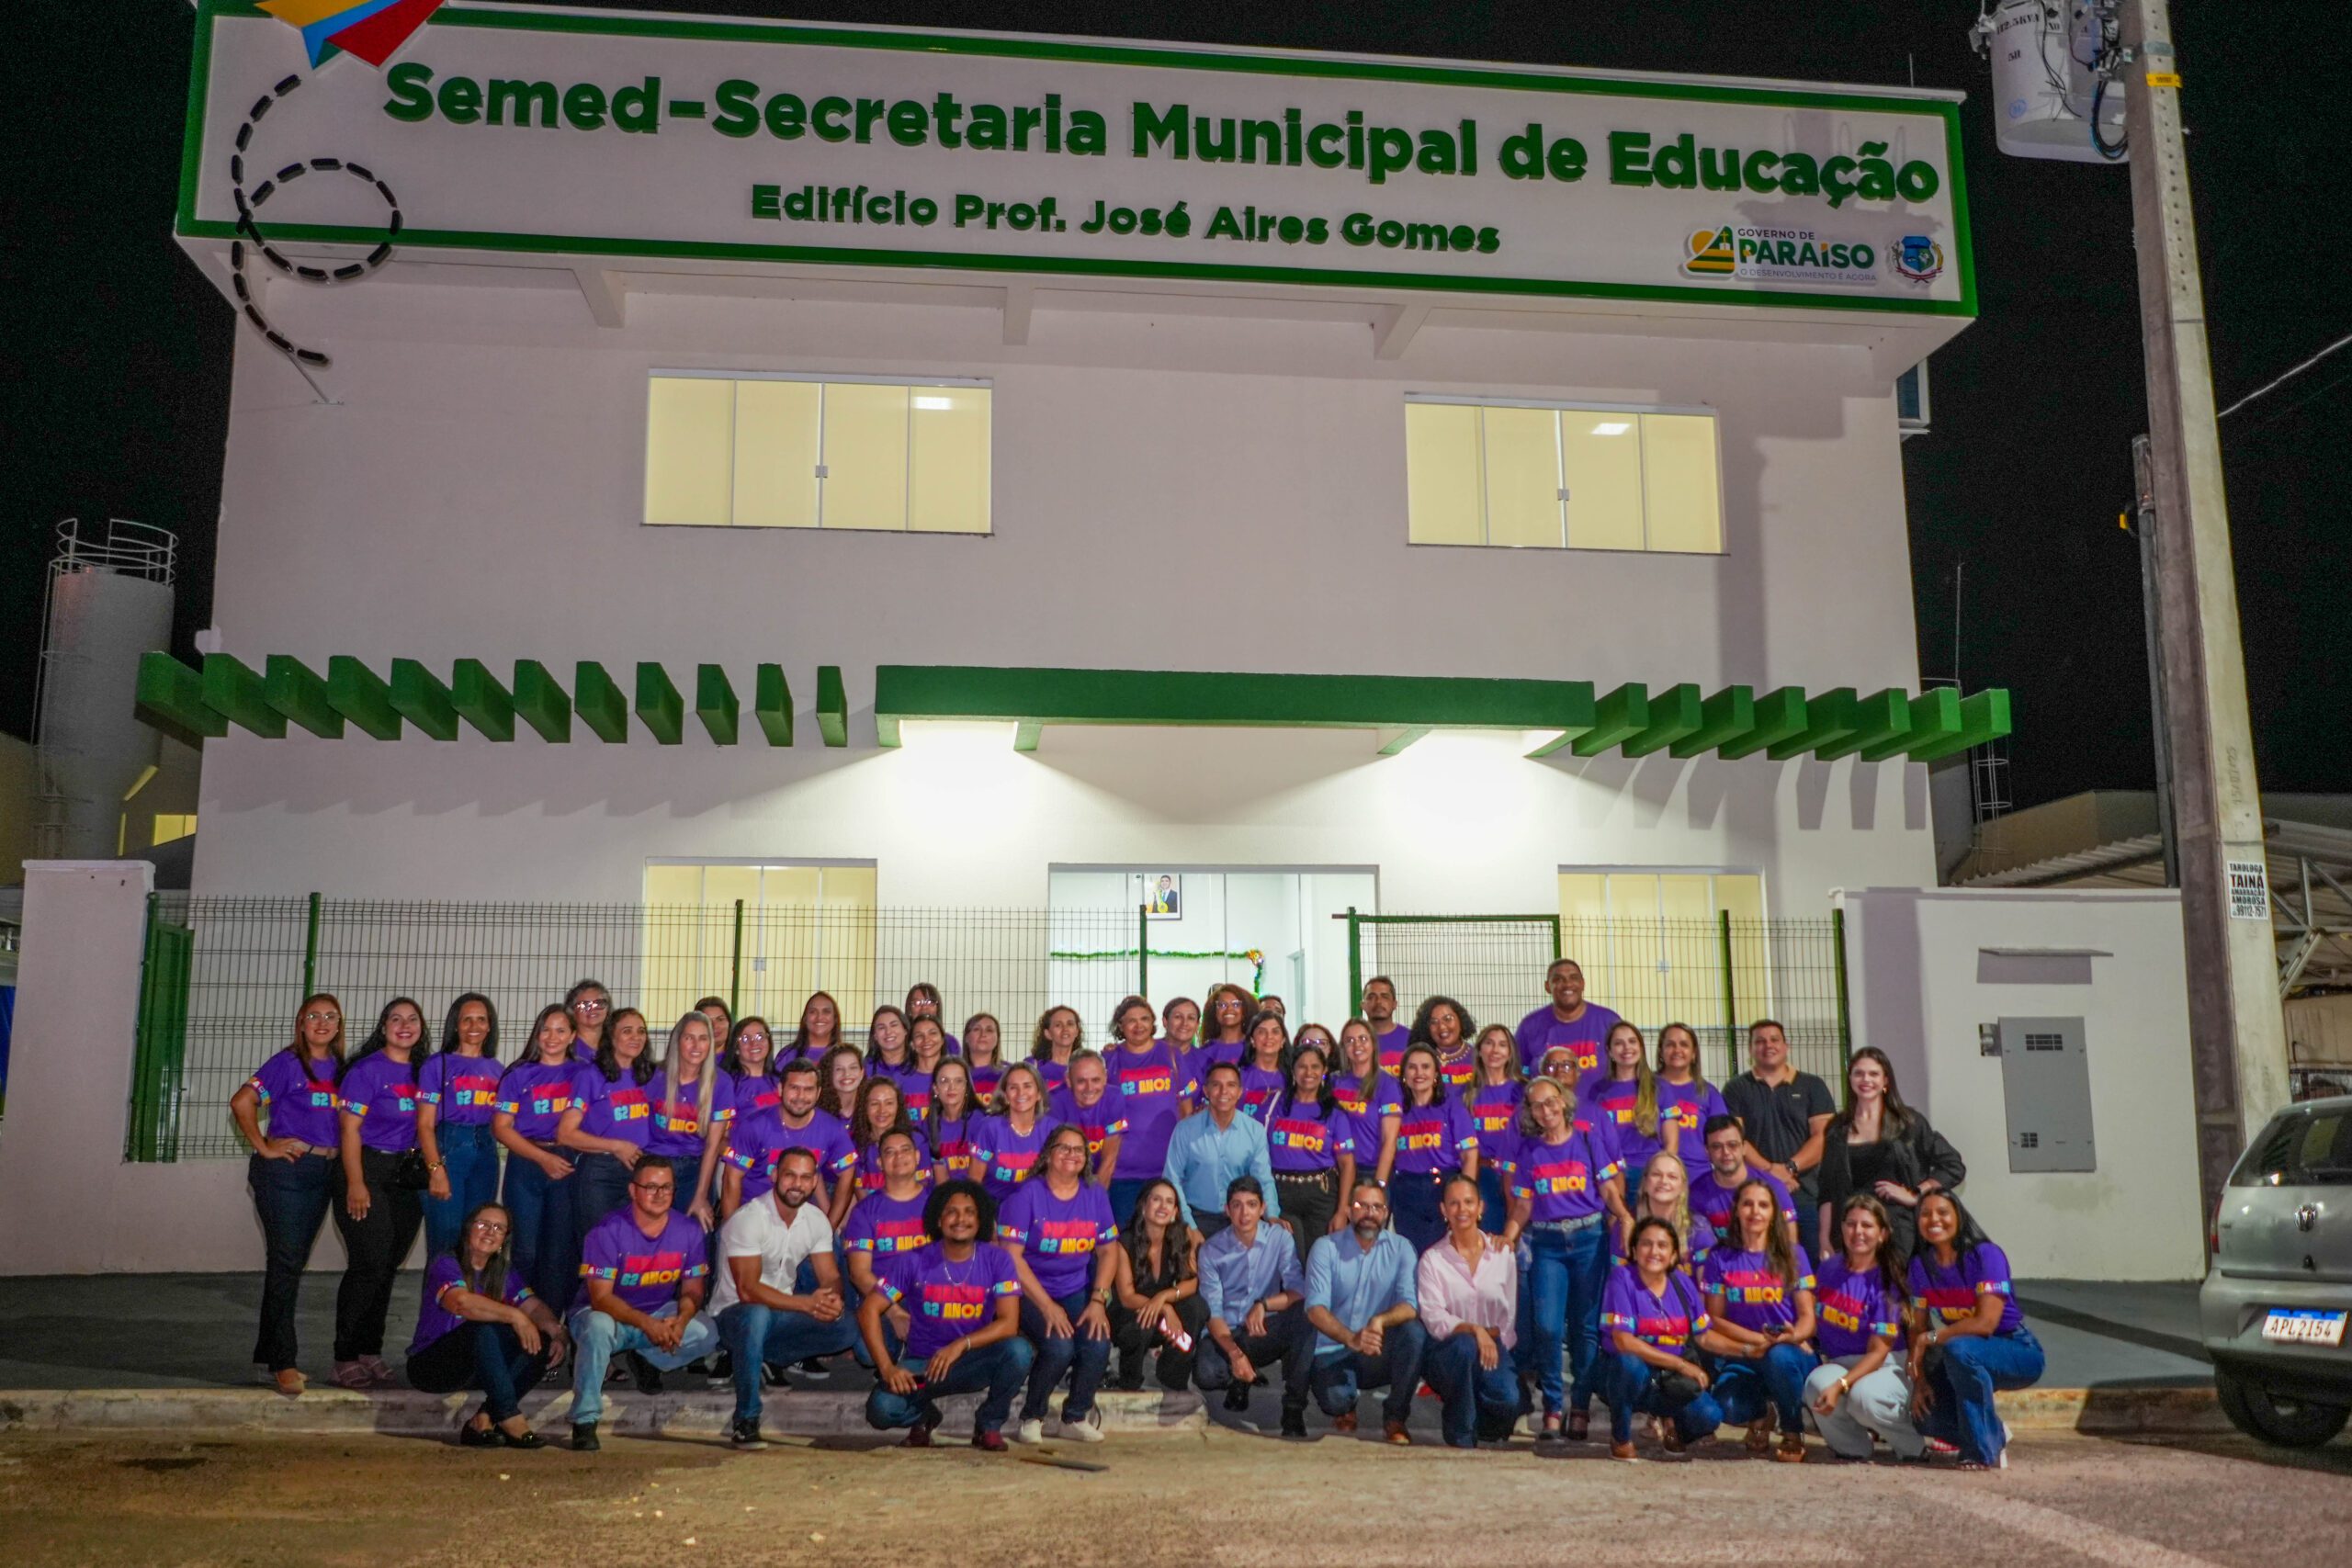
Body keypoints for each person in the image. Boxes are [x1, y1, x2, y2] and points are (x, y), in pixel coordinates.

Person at [230, 991, 346, 1396]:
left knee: (289, 1264)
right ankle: (283, 1362)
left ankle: (268, 1355)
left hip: (325, 1172)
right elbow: (242, 1101)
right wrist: (264, 1146)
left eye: (331, 1016)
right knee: (286, 1264)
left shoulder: (342, 1069)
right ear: (301, 1022)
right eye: (313, 1015)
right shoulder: (286, 1063)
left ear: (338, 1026)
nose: (322, 1022)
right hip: (287, 1174)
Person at [861, 1180, 1035, 1450]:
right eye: (952, 1212)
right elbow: (869, 1309)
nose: (960, 1219)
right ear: (938, 1219)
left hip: (973, 1362)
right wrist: (887, 1368)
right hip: (924, 1367)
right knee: (880, 1410)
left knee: (1019, 1351)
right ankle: (924, 1416)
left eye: (969, 1212)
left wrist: (959, 1345)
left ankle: (988, 1424)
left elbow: (1009, 1324)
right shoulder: (913, 1260)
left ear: (980, 1220)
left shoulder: (997, 1259)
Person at [1498, 1075, 1625, 1441]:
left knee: (1585, 1328)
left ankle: (1580, 1407)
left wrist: (1625, 1217)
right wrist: (1509, 1234)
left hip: (1590, 1239)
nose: (1546, 1109)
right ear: (1531, 1113)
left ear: (1564, 1101)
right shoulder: (1529, 1152)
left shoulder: (1589, 1140)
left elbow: (1608, 1189)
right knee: (1548, 1327)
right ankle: (1553, 1408)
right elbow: (1523, 1204)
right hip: (1548, 1244)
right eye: (1537, 1105)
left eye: (1551, 1101)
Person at [712, 1146, 860, 1449]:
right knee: (756, 1314)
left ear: (815, 1181)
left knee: (846, 1327)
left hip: (779, 1313)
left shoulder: (815, 1219)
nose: (798, 1184)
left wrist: (831, 1299)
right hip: (733, 1314)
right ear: (775, 1175)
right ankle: (746, 1418)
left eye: (806, 1178)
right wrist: (807, 1303)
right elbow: (748, 1290)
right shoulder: (750, 1218)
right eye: (790, 1175)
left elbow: (829, 1275)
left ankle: (765, 1356)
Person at [567, 1162, 719, 1451]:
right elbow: (601, 1299)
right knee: (597, 1327)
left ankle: (648, 1358)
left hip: (658, 1311)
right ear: (633, 1190)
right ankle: (585, 1419)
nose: (659, 1194)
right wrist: (648, 1325)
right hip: (605, 1314)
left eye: (666, 1187)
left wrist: (682, 1320)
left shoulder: (688, 1229)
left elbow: (693, 1290)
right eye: (650, 1187)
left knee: (706, 1332)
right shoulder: (607, 1231)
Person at [405, 1201, 567, 1449]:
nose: (490, 1232)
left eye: (499, 1228)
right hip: (433, 1366)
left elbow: (533, 1307)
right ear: (469, 1229)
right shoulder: (446, 1263)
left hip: (478, 1369)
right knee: (482, 1327)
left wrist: (556, 1332)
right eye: (483, 1224)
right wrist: (516, 1316)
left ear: (504, 1240)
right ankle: (510, 1416)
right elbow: (461, 1304)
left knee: (540, 1342)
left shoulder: (503, 1271)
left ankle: (485, 1417)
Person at [331, 997, 430, 1390]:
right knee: (367, 1264)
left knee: (388, 1265)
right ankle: (344, 1356)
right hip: (366, 1169)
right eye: (395, 1019)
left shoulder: (426, 1071)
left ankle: (369, 1350)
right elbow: (349, 1131)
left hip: (406, 1175)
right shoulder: (366, 1070)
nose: (404, 1025)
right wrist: (356, 1183)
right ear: (383, 1026)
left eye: (412, 1019)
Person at [999, 1126, 1120, 1444]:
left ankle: (1074, 1417)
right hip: (1028, 1290)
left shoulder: (1094, 1194)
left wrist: (1098, 1300)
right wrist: (1047, 1306)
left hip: (1075, 1287)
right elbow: (1011, 1257)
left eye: (1079, 1149)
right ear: (1048, 1155)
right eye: (1064, 1148)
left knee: (1097, 1341)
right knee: (1059, 1345)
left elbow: (1109, 1250)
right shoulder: (1026, 1195)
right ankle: (1032, 1415)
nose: (1072, 1155)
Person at [1907, 1190, 2043, 1470]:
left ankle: (1979, 1453)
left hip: (2015, 1348)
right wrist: (1920, 1381)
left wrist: (1932, 1338)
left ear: (1959, 1216)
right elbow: (1917, 1326)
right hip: (1964, 1352)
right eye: (1925, 1213)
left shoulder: (1986, 1255)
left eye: (1942, 1212)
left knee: (1959, 1348)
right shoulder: (1920, 1266)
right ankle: (1992, 1433)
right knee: (1926, 1417)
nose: (1934, 1219)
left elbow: (1986, 1323)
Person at [1702, 1178, 1819, 1461]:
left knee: (1779, 1358)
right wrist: (1756, 1341)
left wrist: (1794, 1337)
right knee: (1727, 1406)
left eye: (1763, 1205)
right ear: (1737, 1210)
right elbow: (1714, 1318)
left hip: (1787, 1351)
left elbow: (1807, 1317)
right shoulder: (1719, 1257)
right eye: (1748, 1204)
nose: (1755, 1211)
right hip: (1744, 1354)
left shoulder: (1794, 1254)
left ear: (1773, 1213)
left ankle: (1792, 1429)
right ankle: (1762, 1413)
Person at [1814, 1047, 1965, 1267]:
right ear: (1850, 1079)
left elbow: (1952, 1166)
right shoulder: (1837, 1127)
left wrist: (1916, 1194)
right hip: (1851, 1233)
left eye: (1873, 1074)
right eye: (1858, 1073)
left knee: (1895, 1296)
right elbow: (1826, 1190)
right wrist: (1824, 1240)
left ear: (1886, 1080)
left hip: (1899, 1232)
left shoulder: (1909, 1123)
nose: (1866, 1079)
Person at [1303, 1179, 1427, 1443]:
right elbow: (1315, 1309)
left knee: (1414, 1334)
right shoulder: (1326, 1248)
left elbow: (1410, 1305)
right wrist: (1351, 1338)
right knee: (1335, 1401)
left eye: (1377, 1207)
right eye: (1361, 1206)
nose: (1369, 1213)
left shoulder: (1402, 1248)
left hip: (1376, 1348)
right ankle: (1346, 1407)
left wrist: (1379, 1321)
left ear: (1385, 1213)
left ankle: (1395, 1417)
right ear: (1348, 1211)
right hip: (1334, 1349)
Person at [1802, 1193, 1921, 1462]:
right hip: (1840, 1360)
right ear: (1842, 1228)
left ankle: (1914, 1446)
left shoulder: (1887, 1279)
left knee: (1863, 1398)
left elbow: (1878, 1353)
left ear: (1882, 1234)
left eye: (1867, 1225)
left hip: (1885, 1363)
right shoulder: (1829, 1268)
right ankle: (1852, 1448)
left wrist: (1841, 1385)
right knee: (1815, 1385)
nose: (1858, 1232)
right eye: (1851, 1224)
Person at [1194, 1176, 1314, 1436]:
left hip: (1262, 1329)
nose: (1244, 1213)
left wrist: (1264, 1303)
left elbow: (1299, 1290)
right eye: (1236, 1205)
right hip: (1226, 1333)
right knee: (1206, 1373)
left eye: (1251, 1204)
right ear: (1227, 1211)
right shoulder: (1211, 1250)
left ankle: (1293, 1409)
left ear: (1262, 1209)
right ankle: (1240, 1374)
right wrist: (1235, 1354)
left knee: (1306, 1317)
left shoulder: (1279, 1239)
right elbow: (1213, 1314)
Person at [1601, 1217, 1727, 1459]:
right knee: (1628, 1364)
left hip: (1671, 1380)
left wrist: (1750, 1348)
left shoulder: (1682, 1282)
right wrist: (1681, 1364)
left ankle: (1674, 1428)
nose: (1654, 1251)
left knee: (1710, 1417)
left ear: (1673, 1255)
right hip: (1634, 1375)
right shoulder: (1622, 1277)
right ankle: (1621, 1437)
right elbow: (1623, 1341)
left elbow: (1705, 1336)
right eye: (1646, 1244)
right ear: (1635, 1251)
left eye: (1662, 1245)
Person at [493, 1004, 583, 1309]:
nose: (552, 1036)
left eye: (561, 1030)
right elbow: (502, 1128)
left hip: (568, 1164)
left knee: (558, 1253)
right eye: (546, 1029)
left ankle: (552, 1328)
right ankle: (519, 1318)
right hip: (526, 1164)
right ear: (537, 1033)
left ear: (573, 1035)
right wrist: (542, 1158)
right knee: (525, 1251)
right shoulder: (518, 1073)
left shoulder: (583, 1073)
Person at [1419, 1173, 1519, 1450]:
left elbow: (1508, 1316)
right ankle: (1460, 1430)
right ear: (1443, 1210)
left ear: (1481, 1208)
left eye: (1468, 1202)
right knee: (1464, 1347)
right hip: (1447, 1352)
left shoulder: (1502, 1255)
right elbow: (1434, 1318)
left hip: (1493, 1346)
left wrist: (1493, 1342)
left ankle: (1481, 1424)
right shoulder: (1432, 1260)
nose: (1461, 1210)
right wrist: (1475, 1331)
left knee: (1510, 1401)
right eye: (1453, 1203)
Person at [556, 1005, 658, 1275]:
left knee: (634, 1253)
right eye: (627, 1031)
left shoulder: (650, 1077)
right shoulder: (590, 1076)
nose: (636, 1037)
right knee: (599, 1253)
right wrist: (616, 1146)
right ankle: (592, 1314)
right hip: (599, 1175)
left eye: (641, 1031)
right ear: (611, 1037)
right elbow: (566, 1133)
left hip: (639, 1174)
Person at [415, 993, 503, 1261]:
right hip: (449, 1149)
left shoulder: (497, 1069)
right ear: (456, 1024)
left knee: (476, 1240)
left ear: (489, 1026)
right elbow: (424, 1124)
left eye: (481, 1020)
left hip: (486, 1152)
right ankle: (438, 1303)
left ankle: (470, 1302)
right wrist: (435, 1169)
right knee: (447, 1238)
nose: (474, 1026)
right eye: (467, 1020)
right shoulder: (437, 1065)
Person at [1722, 1018, 1836, 1219]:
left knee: (1807, 1251)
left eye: (1774, 1040)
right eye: (1760, 1041)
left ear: (1786, 1046)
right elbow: (1735, 1140)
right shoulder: (1735, 1089)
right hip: (1755, 1194)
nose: (1768, 1046)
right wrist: (1770, 1171)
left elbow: (1822, 1138)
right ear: (1750, 1049)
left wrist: (1789, 1168)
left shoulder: (1813, 1086)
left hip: (1806, 1194)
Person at [721, 1057, 854, 1224]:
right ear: (780, 1089)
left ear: (818, 1093)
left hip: (802, 1221)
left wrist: (830, 1228)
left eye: (808, 1090)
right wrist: (734, 1232)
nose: (801, 1096)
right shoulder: (753, 1126)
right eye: (794, 1088)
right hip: (753, 1218)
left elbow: (848, 1175)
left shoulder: (833, 1129)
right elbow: (731, 1179)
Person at [1165, 1062, 1280, 1243]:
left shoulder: (1254, 1131)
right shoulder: (1185, 1130)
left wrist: (1272, 1215)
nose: (1223, 1092)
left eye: (1231, 1085)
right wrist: (1189, 1226)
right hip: (1195, 1216)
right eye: (1216, 1085)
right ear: (1206, 1091)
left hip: (1238, 1219)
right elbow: (1172, 1179)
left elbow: (1263, 1179)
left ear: (1240, 1091)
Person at [842, 1129, 933, 1354]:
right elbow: (859, 1273)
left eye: (905, 1150)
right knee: (866, 1351)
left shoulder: (940, 1202)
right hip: (885, 1298)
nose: (899, 1157)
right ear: (880, 1162)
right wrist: (894, 1313)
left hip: (932, 1296)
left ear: (917, 1157)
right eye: (890, 1153)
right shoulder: (865, 1211)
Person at [1108, 1179, 1204, 1392]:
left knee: (1196, 1307)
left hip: (1164, 1315)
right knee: (1145, 1318)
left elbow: (1193, 1282)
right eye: (1157, 1200)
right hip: (1129, 1314)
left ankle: (1173, 1376)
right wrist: (1163, 1307)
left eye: (1169, 1202)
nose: (1163, 1206)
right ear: (1144, 1206)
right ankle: (1129, 1380)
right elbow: (1126, 1296)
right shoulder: (1125, 1241)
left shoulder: (1182, 1234)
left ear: (1175, 1211)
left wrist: (1164, 1298)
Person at [1265, 1042, 1355, 1263]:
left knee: (1320, 1260)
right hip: (1281, 1192)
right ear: (1293, 1070)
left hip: (1321, 1194)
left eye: (1315, 1067)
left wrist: (1342, 1210)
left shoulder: (1335, 1112)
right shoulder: (1274, 1104)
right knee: (1290, 1261)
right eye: (1302, 1066)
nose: (1309, 1073)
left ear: (1324, 1070)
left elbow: (1347, 1164)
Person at [647, 1010, 735, 1232]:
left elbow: (713, 1145)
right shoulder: (654, 1075)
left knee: (696, 1232)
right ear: (678, 1041)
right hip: (654, 1165)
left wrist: (700, 1196)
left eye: (703, 1038)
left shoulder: (721, 1083)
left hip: (694, 1169)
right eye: (689, 1038)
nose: (696, 1045)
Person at [1104, 996, 1189, 1221]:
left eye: (1144, 1019)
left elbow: (1186, 1109)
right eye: (1131, 1020)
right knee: (1126, 1240)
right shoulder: (1110, 1058)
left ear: (1153, 1023)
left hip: (1167, 1170)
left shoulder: (1171, 1055)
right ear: (1120, 1026)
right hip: (1123, 1173)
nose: (1138, 1025)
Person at [1389, 1044, 1476, 1253]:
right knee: (1410, 1257)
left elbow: (1469, 1154)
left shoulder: (1452, 1105)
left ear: (1436, 1074)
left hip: (1441, 1188)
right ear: (1403, 1074)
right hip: (1405, 1192)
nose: (1419, 1073)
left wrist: (1466, 1194)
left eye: (1426, 1067)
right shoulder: (1396, 1108)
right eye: (1412, 1067)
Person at [1691, 1113, 1800, 1248]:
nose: (1726, 1152)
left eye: (1732, 1145)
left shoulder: (1773, 1187)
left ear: (1744, 1148)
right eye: (1716, 1146)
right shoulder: (1696, 1193)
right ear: (1707, 1151)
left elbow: (1790, 1244)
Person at [1515, 958, 1622, 1088]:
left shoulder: (1608, 1021)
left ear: (1582, 984)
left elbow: (1627, 1067)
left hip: (1602, 1106)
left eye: (1574, 978)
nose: (1567, 984)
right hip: (1549, 1107)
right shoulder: (1530, 1027)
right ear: (1547, 986)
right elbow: (1518, 1075)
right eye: (1558, 979)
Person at [1464, 1024, 1523, 1234]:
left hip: (1519, 1174)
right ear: (1479, 1050)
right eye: (1489, 1043)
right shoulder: (1467, 1094)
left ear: (1510, 1053)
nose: (1495, 1050)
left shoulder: (1524, 1091)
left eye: (1502, 1045)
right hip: (1484, 1175)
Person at [1650, 1022, 1733, 1170]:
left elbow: (1721, 1135)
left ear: (1694, 1053)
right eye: (1670, 1045)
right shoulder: (1645, 1088)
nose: (1677, 1050)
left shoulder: (1708, 1093)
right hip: (1654, 1170)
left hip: (1697, 1172)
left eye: (1684, 1044)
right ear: (1661, 1052)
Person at [1331, 1019, 1401, 1193]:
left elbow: (1390, 1141)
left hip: (1370, 1170)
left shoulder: (1387, 1084)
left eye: (1363, 1039)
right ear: (1343, 1048)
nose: (1357, 1045)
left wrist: (1379, 1184)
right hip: (1336, 1168)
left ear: (1373, 1043)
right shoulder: (1334, 1081)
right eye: (1350, 1041)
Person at [1586, 1021, 1665, 1175]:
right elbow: (1595, 1138)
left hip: (1650, 1170)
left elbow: (1671, 1140)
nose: (1627, 1048)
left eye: (1632, 1041)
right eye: (1619, 1043)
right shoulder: (1598, 1091)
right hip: (1612, 1172)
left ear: (1641, 1047)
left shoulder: (1659, 1087)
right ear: (1609, 1051)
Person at [1616, 1150, 1715, 1270]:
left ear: (1683, 1187)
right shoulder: (1626, 1228)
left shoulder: (1699, 1229)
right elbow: (1618, 1279)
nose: (1663, 1181)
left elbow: (1705, 1285)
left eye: (1672, 1177)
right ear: (1645, 1183)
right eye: (1656, 1174)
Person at [970, 1061, 1052, 1204]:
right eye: (1013, 1087)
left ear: (1039, 1093)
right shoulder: (990, 1128)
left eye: (1027, 1086)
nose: (1021, 1093)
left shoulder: (1052, 1129)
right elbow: (974, 1182)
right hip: (994, 1205)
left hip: (1038, 1206)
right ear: (1006, 1096)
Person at [1048, 1049, 1126, 1188]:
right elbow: (1059, 1160)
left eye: (1096, 1080)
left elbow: (1110, 1157)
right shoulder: (1055, 1102)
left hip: (1101, 1175)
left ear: (1105, 1077)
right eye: (1081, 1081)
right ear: (1068, 1080)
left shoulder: (1114, 1098)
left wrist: (1095, 1200)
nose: (1089, 1088)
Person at [849, 1077, 928, 1198]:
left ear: (898, 1106)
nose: (882, 1110)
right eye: (875, 1104)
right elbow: (861, 1195)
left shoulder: (917, 1142)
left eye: (889, 1103)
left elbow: (923, 1191)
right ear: (865, 1108)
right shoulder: (854, 1146)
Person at [924, 1056, 980, 1180]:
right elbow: (940, 1181)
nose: (951, 1087)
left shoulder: (981, 1122)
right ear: (935, 1088)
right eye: (944, 1080)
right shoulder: (928, 1125)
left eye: (958, 1081)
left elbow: (980, 1180)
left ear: (967, 1087)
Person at [1407, 995, 1476, 1094]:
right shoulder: (1421, 1059)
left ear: (1461, 1020)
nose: (1442, 1026)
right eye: (1434, 1022)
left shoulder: (1479, 1057)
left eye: (1448, 1019)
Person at [722, 1016, 781, 1119]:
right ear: (736, 1048)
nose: (754, 1043)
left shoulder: (781, 1082)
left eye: (760, 1037)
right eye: (745, 1039)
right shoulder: (726, 1084)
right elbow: (717, 1119)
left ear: (769, 1043)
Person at [1236, 1010, 1290, 1121]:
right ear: (1252, 1040)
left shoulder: (1293, 1078)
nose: (1269, 1036)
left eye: (1275, 1032)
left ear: (1283, 1040)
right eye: (1261, 1032)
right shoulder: (1237, 1077)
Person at [1191, 984, 1254, 1079]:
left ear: (1244, 1011)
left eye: (1236, 1004)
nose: (1229, 1009)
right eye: (1222, 1005)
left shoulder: (1256, 1047)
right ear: (1215, 1012)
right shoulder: (1204, 1052)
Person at [899, 1015, 951, 1117]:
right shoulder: (899, 1079)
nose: (926, 1039)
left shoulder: (956, 1077)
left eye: (933, 1033)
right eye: (919, 1035)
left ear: (942, 1040)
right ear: (912, 1044)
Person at [1027, 1004, 1083, 1094]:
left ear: (1077, 1031)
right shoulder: (1032, 1066)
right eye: (1058, 1025)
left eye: (1070, 1024)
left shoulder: (1086, 1067)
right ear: (1048, 1033)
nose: (1065, 1029)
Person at [1361, 976, 1410, 1069]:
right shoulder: (1354, 1041)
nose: (1378, 1002)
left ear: (1394, 1004)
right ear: (1363, 1005)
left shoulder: (1411, 1039)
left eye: (1385, 997)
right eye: (1371, 997)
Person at [785, 991, 843, 1063]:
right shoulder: (787, 1055)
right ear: (805, 1019)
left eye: (826, 1012)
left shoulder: (847, 1056)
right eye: (813, 1012)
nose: (819, 1017)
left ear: (835, 1019)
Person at [960, 1012, 1008, 1102]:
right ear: (966, 1037)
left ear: (997, 1038)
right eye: (977, 1029)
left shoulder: (1009, 1073)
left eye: (989, 1030)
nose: (983, 1034)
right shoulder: (954, 1073)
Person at [904, 982, 960, 1055]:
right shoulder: (901, 1042)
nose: (924, 1007)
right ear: (910, 1009)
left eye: (930, 1002)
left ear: (937, 1008)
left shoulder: (950, 1043)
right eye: (917, 1002)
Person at [865, 1005, 916, 1084]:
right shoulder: (865, 1068)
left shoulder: (920, 1065)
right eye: (881, 1027)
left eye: (894, 1025)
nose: (888, 1032)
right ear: (875, 1035)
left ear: (905, 1030)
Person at [814, 1043, 865, 1123]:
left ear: (862, 1073)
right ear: (829, 1074)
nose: (847, 1074)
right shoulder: (817, 1113)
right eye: (839, 1069)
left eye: (853, 1067)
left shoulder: (870, 1109)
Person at [565, 979, 613, 1063]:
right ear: (572, 1010)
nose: (593, 1009)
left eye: (599, 1003)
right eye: (585, 1005)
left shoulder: (616, 1044)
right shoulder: (565, 1048)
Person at [1158, 995, 1202, 1070]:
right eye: (1178, 1017)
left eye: (1191, 1018)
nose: (1184, 1023)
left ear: (1197, 1025)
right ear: (1165, 1021)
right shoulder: (1145, 1054)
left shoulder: (1204, 1062)